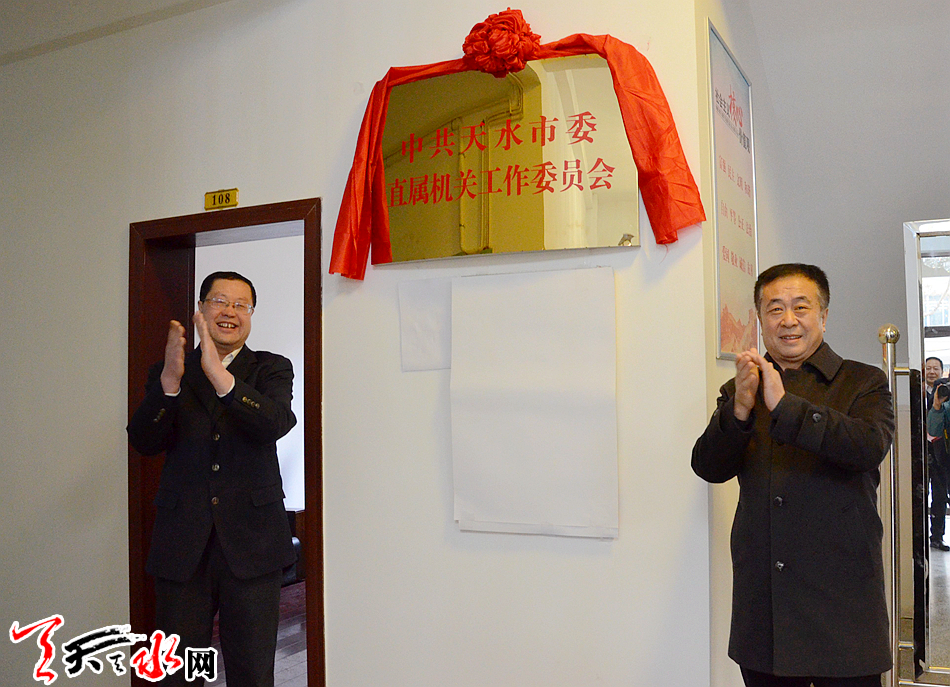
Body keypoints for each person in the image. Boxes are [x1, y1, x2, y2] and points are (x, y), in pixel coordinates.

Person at [692, 263, 894, 687]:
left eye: (801, 307)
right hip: (766, 600)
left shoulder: (863, 381)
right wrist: (740, 409)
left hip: (843, 600)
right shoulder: (741, 387)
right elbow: (708, 467)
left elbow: (867, 447)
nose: (788, 320)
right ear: (760, 319)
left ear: (823, 316)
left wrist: (785, 406)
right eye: (774, 309)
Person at [128, 271, 297, 687]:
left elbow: (274, 423)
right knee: (177, 673)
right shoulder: (170, 370)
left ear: (251, 315)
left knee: (252, 672)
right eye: (220, 301)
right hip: (183, 546)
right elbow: (144, 442)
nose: (230, 312)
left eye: (242, 305)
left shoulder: (271, 368)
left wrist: (218, 374)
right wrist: (170, 384)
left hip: (254, 544)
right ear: (201, 309)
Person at [928, 382, 950, 551]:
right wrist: (937, 406)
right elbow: (933, 430)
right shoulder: (945, 406)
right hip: (943, 460)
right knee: (939, 497)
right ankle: (936, 536)